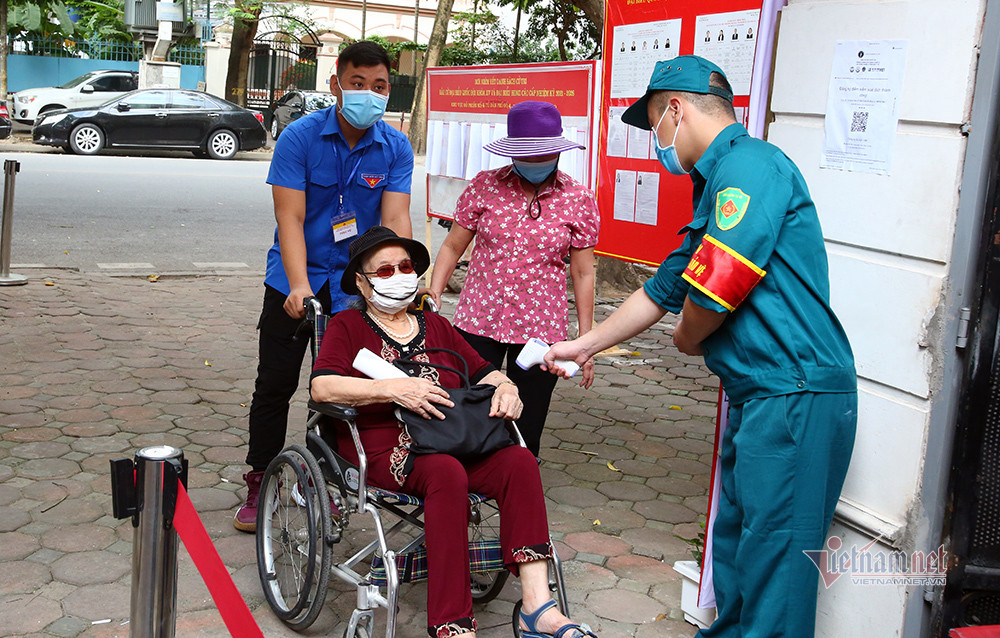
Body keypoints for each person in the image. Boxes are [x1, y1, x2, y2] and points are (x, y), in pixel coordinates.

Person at [545, 56, 857, 637]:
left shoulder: (749, 168)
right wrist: (582, 345)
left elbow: (711, 295)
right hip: (761, 394)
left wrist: (687, 338)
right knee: (739, 562)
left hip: (794, 392)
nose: (657, 142)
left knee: (776, 577)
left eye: (654, 125)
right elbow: (662, 289)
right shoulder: (715, 184)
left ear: (676, 109)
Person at [311, 226, 598, 638]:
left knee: (519, 460)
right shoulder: (347, 326)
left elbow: (486, 372)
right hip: (390, 449)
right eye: (385, 270)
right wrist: (389, 387)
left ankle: (537, 607)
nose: (400, 276)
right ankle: (452, 623)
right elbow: (321, 386)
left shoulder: (436, 326)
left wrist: (509, 388)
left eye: (406, 266)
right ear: (362, 281)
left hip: (452, 440)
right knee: (447, 473)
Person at [234, 41, 415, 533]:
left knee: (341, 388)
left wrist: (401, 282)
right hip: (294, 279)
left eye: (379, 87)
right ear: (337, 83)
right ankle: (259, 481)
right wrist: (297, 286)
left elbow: (396, 218)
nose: (369, 95)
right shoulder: (300, 137)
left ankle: (324, 480)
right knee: (275, 384)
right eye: (358, 84)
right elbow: (289, 217)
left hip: (357, 288)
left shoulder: (395, 146)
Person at [429, 101, 600, 457]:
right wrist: (433, 296)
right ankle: (465, 477)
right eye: (526, 154)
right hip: (478, 318)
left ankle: (518, 477)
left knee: (529, 418)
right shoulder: (484, 186)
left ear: (557, 150)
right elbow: (451, 247)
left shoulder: (578, 199)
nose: (535, 162)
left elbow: (583, 272)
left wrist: (587, 340)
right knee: (469, 406)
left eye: (543, 154)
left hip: (541, 329)